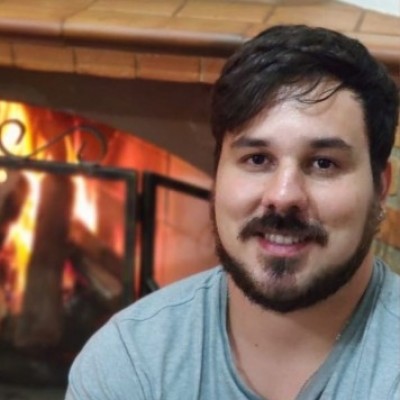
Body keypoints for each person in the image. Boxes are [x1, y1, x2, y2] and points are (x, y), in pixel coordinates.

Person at [65, 25, 400, 400]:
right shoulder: (131, 363)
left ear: (380, 188)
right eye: (257, 159)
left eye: (324, 163)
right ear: (217, 174)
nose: (283, 196)